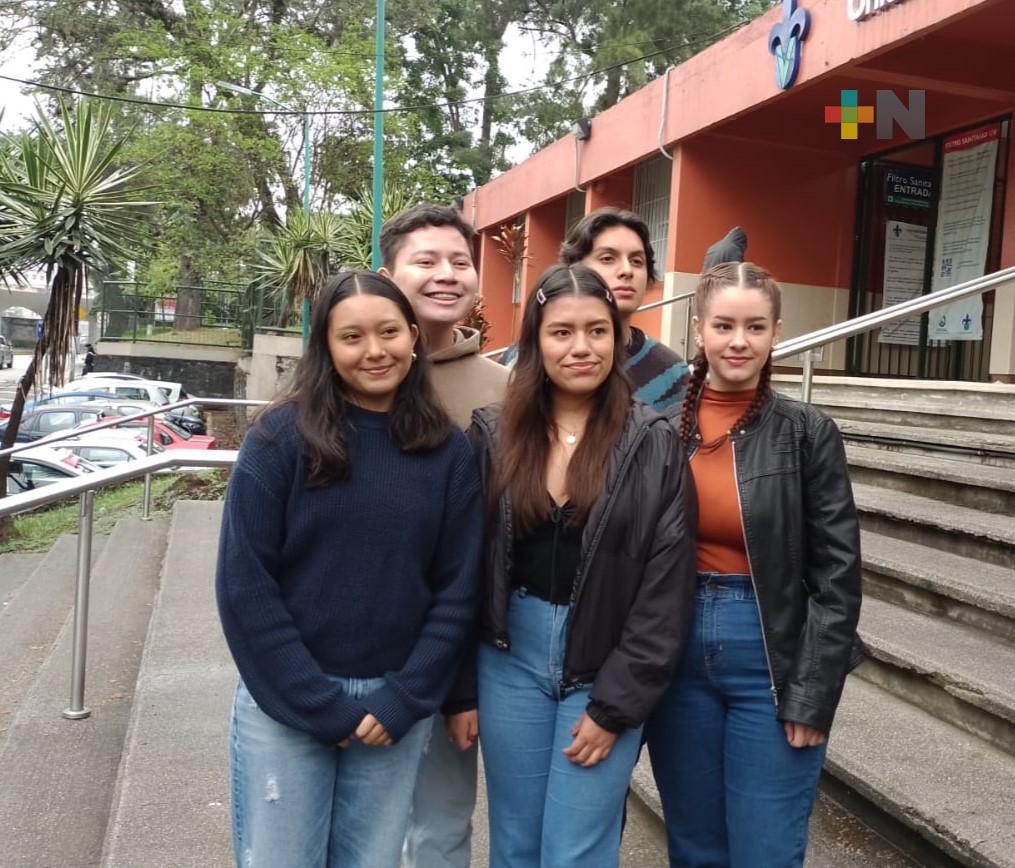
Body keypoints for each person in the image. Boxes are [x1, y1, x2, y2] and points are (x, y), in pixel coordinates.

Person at [215, 271, 483, 868]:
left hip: (394, 708)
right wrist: (315, 702)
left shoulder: (446, 450)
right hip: (285, 706)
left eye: (389, 332)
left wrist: (406, 698)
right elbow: (245, 586)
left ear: (414, 336)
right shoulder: (278, 440)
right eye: (352, 337)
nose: (375, 351)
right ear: (326, 348)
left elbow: (457, 591)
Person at [457, 263, 697, 868]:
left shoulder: (652, 441)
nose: (581, 347)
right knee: (515, 844)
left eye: (598, 331)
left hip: (604, 660)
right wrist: (458, 688)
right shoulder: (493, 433)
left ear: (618, 339)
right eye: (562, 332)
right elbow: (464, 568)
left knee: (576, 852)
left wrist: (616, 702)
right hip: (509, 658)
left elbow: (666, 588)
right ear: (536, 339)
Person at [645, 261, 863, 867]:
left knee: (765, 849)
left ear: (776, 333)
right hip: (675, 647)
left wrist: (814, 693)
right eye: (724, 325)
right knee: (694, 846)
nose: (738, 341)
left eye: (755, 327)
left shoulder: (807, 432)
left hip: (770, 650)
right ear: (698, 329)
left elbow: (838, 577)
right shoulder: (660, 428)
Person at [379, 203, 509, 868]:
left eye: (459, 261)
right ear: (386, 273)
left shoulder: (504, 391)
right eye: (425, 261)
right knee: (360, 824)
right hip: (362, 640)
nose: (445, 274)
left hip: (460, 644)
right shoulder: (352, 376)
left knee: (440, 820)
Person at [502, 208, 689, 414]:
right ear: (574, 268)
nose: (627, 271)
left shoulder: (671, 372)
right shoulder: (521, 360)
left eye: (637, 261)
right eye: (608, 258)